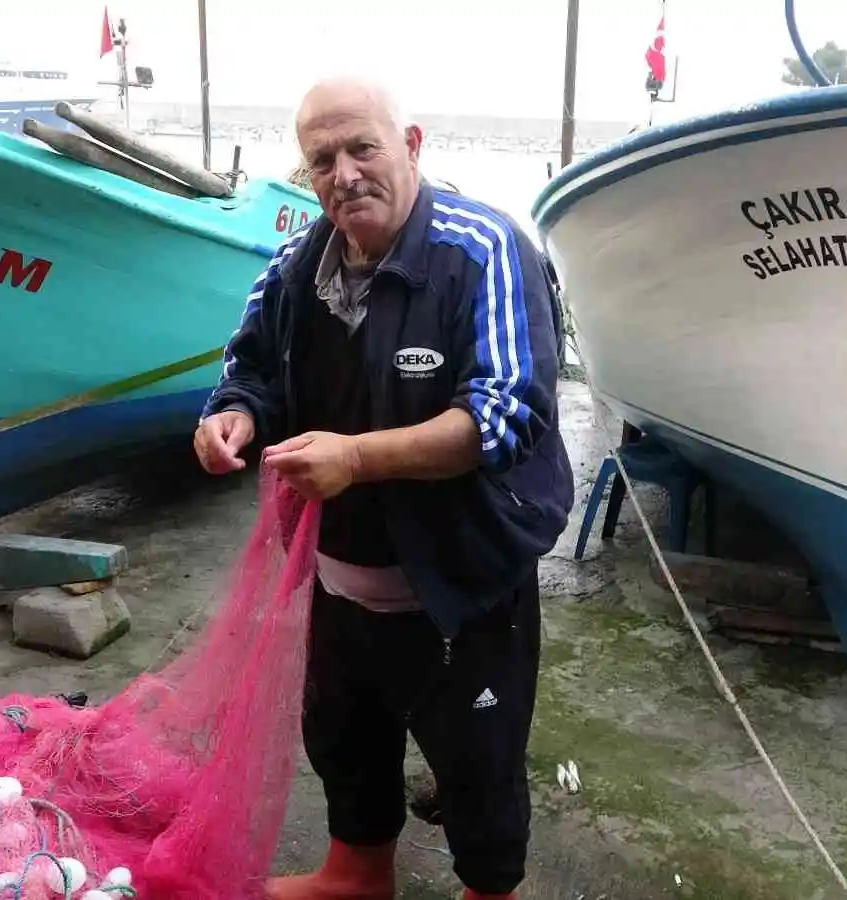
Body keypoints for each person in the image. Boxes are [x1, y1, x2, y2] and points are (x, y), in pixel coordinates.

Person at [192, 76, 573, 900]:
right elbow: (248, 367)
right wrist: (230, 418)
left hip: (464, 583)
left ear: (412, 144)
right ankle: (356, 873)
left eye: (362, 147)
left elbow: (509, 417)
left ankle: (489, 890)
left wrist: (359, 459)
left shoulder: (484, 249)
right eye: (321, 159)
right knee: (343, 734)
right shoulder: (297, 267)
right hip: (342, 580)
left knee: (479, 757)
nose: (343, 173)